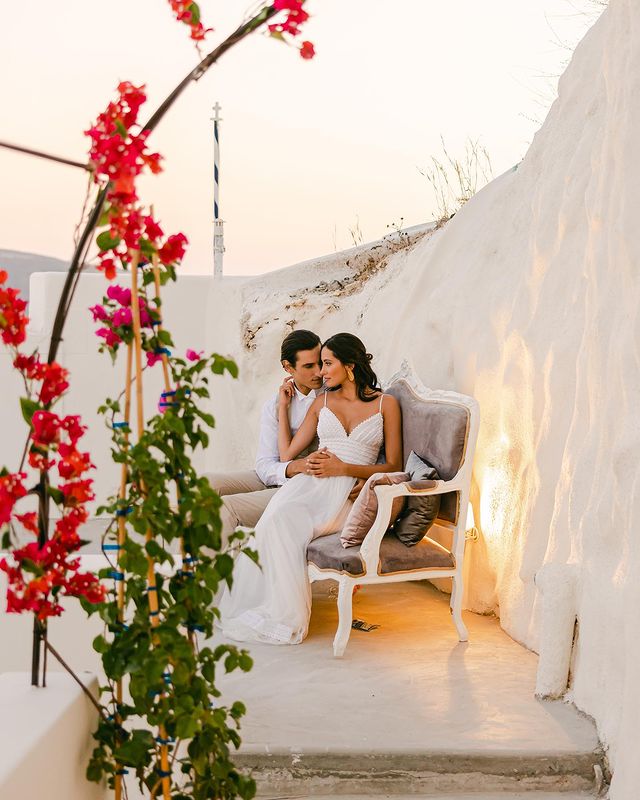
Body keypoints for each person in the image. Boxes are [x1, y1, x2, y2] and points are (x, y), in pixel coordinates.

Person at [218, 333, 402, 645]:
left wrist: (345, 469)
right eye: (318, 364)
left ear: (350, 366)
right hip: (306, 486)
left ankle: (282, 613)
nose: (321, 371)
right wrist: (282, 408)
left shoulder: (387, 404)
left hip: (345, 494)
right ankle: (272, 608)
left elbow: (394, 465)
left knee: (287, 522)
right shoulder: (322, 402)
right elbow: (287, 455)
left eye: (327, 363)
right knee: (278, 518)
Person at [206, 329, 324, 546]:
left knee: (225, 508)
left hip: (308, 482)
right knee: (204, 485)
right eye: (309, 366)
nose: (319, 372)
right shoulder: (276, 404)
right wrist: (290, 468)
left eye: (320, 363)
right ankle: (181, 565)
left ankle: (211, 578)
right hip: (281, 474)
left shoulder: (333, 395)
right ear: (288, 367)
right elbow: (264, 464)